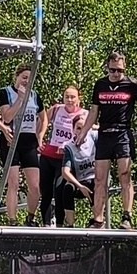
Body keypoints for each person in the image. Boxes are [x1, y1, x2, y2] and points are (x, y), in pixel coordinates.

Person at [88, 51, 137, 228]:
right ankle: (98, 219)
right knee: (99, 179)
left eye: (119, 70)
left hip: (122, 133)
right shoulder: (100, 84)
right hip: (104, 134)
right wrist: (82, 134)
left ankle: (127, 216)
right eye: (112, 70)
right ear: (107, 68)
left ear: (124, 68)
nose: (115, 74)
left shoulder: (132, 84)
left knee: (125, 175)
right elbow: (94, 111)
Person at [0, 64, 41, 224]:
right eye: (24, 77)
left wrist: (39, 135)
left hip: (29, 141)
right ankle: (12, 219)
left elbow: (43, 118)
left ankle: (31, 217)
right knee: (13, 183)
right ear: (17, 77)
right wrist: (20, 99)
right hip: (12, 140)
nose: (26, 81)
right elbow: (7, 117)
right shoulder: (6, 92)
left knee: (35, 185)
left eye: (30, 78)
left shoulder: (35, 95)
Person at [36, 85, 87, 227]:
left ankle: (59, 224)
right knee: (45, 191)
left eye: (72, 97)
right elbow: (43, 120)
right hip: (49, 154)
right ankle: (46, 223)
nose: (69, 100)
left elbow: (90, 130)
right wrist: (39, 138)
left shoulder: (84, 114)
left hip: (65, 157)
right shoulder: (57, 109)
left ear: (78, 99)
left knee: (59, 190)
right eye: (67, 97)